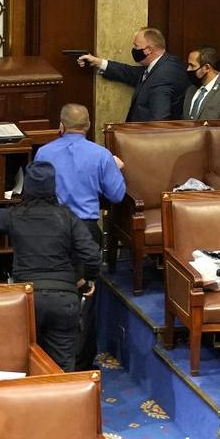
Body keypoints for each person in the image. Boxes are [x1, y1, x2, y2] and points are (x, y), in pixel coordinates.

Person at [0, 161, 101, 372]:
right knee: (61, 369)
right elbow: (92, 255)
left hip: (28, 298)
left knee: (24, 362)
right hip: (63, 300)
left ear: (27, 188)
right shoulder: (68, 217)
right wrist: (86, 280)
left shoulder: (15, 215)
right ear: (53, 187)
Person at [34, 103, 126, 371]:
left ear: (60, 127)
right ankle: (82, 365)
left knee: (52, 289)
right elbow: (117, 195)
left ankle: (47, 361)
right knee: (86, 297)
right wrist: (115, 168)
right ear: (87, 127)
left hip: (51, 231)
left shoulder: (44, 152)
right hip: (85, 232)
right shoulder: (101, 155)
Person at [78, 27, 189, 121]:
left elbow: (158, 120)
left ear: (148, 50)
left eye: (136, 46)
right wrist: (98, 62)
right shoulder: (164, 63)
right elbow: (129, 73)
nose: (134, 50)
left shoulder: (163, 75)